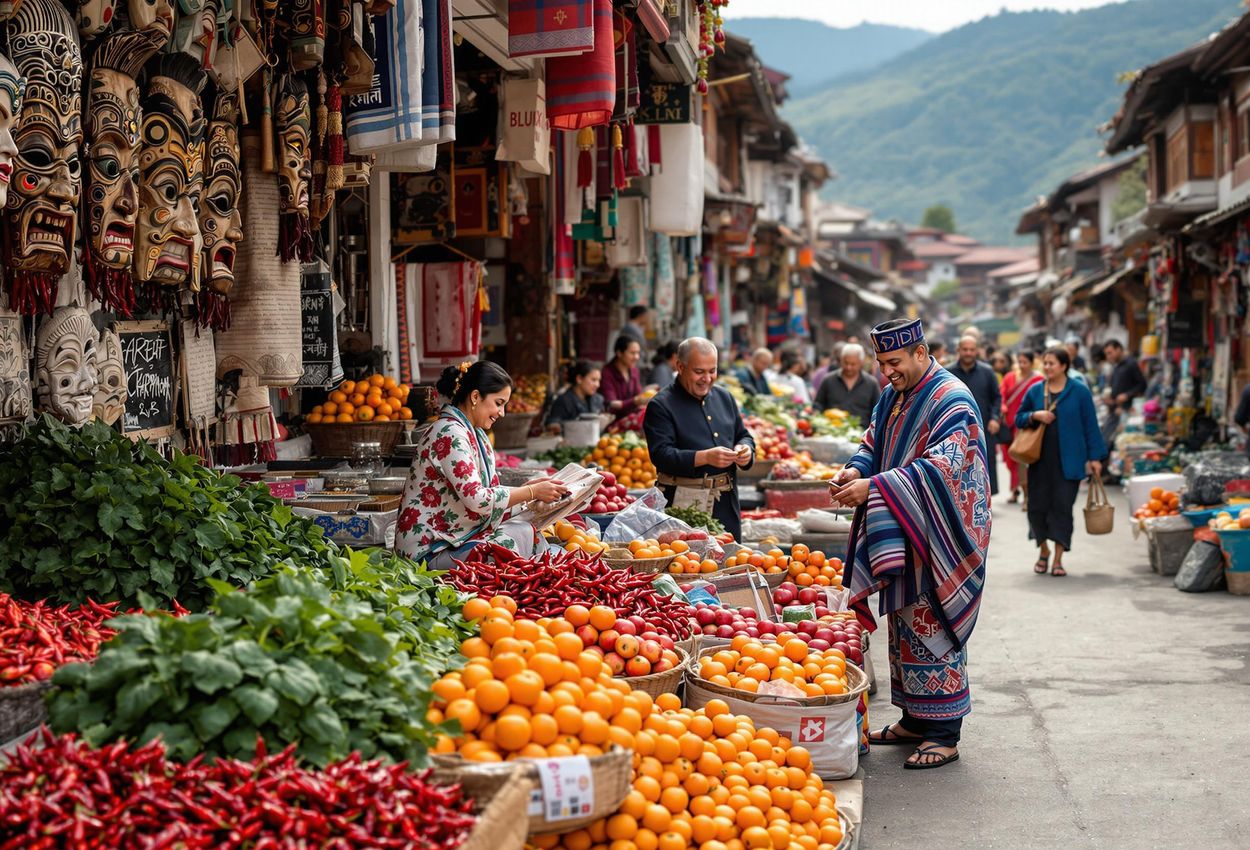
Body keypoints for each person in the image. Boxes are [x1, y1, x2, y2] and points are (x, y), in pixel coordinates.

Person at [829, 318, 989, 771]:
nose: (886, 372)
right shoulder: (893, 395)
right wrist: (856, 472)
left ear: (921, 353)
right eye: (881, 363)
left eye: (894, 362)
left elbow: (947, 469)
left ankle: (945, 732)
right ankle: (916, 719)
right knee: (903, 629)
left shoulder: (951, 398)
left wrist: (876, 488)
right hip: (904, 523)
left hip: (939, 533)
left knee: (932, 626)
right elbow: (872, 442)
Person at [395, 361, 570, 568]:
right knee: (510, 542)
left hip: (454, 539)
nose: (502, 413)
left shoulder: (474, 433)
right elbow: (478, 499)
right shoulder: (450, 433)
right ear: (476, 397)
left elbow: (490, 496)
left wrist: (528, 495)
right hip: (427, 553)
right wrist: (531, 492)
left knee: (526, 531)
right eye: (499, 403)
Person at [644, 338, 755, 542]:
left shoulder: (725, 397)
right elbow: (661, 455)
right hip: (683, 505)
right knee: (691, 568)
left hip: (726, 504)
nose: (707, 378)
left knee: (731, 564)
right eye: (699, 372)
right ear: (680, 367)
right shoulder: (660, 405)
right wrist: (704, 457)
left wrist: (745, 449)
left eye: (712, 371)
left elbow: (743, 434)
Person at [1015, 347, 1106, 577]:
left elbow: (1090, 426)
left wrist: (1095, 457)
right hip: (1039, 462)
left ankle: (1057, 559)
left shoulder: (1080, 392)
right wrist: (1035, 415)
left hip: (1070, 462)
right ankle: (1043, 550)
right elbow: (1018, 418)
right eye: (1044, 363)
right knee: (1036, 509)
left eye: (1051, 363)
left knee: (1062, 509)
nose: (1047, 367)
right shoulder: (1035, 391)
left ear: (1064, 366)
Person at [948, 335, 1002, 496]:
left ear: (977, 351)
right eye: (965, 349)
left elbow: (997, 397)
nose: (968, 353)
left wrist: (994, 418)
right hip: (955, 429)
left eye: (972, 350)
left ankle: (984, 500)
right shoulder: (948, 372)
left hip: (983, 427)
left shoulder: (987, 372)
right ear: (958, 350)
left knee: (985, 464)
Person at [1000, 349, 1043, 505]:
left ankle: (1027, 495)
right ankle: (1015, 490)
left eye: (1025, 362)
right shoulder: (1010, 377)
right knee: (1012, 459)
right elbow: (1002, 395)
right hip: (1010, 423)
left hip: (1027, 426)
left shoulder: (1038, 380)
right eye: (1020, 362)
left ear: (1032, 363)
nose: (1022, 365)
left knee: (1023, 461)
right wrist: (1003, 408)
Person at [814, 343, 880, 426]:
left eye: (853, 364)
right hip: (832, 432)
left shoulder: (871, 383)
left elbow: (877, 411)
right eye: (846, 363)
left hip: (861, 434)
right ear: (841, 360)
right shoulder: (828, 380)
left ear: (861, 363)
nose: (849, 367)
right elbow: (818, 404)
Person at [1101, 339, 1146, 448]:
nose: (1108, 356)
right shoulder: (1116, 367)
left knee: (1111, 443)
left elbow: (1142, 385)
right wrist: (1109, 399)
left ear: (1119, 349)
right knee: (1105, 441)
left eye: (1110, 353)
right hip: (1115, 411)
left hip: (1126, 412)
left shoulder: (1131, 364)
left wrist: (1127, 395)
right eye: (1107, 354)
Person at [601, 336, 655, 421]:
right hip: (613, 420)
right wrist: (635, 401)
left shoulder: (634, 371)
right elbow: (612, 405)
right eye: (632, 353)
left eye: (638, 353)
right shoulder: (607, 373)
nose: (637, 357)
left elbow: (638, 395)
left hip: (632, 417)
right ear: (619, 353)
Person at [544, 361, 604, 431]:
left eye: (599, 380)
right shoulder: (564, 401)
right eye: (593, 380)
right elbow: (553, 421)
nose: (597, 385)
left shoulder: (598, 399)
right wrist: (555, 426)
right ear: (579, 379)